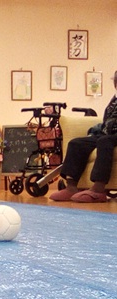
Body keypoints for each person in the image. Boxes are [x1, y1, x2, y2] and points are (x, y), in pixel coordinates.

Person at [50, 71, 117, 203]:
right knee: (77, 143)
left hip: (111, 136)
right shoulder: (114, 100)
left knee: (105, 141)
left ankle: (98, 189)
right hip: (107, 133)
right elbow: (107, 121)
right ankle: (71, 187)